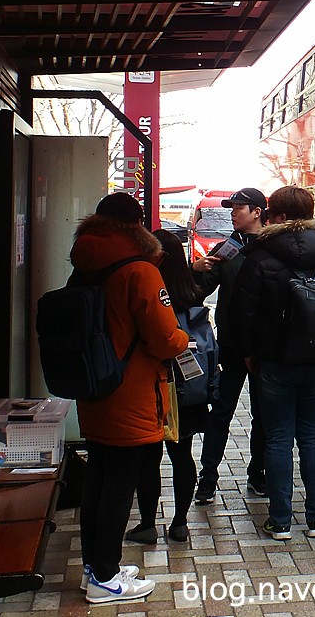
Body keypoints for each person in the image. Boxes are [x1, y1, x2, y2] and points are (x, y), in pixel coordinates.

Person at [72, 192, 188, 604]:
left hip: (95, 389)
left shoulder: (84, 264)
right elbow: (164, 338)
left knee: (98, 480)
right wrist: (184, 338)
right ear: (137, 225)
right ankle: (106, 579)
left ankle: (94, 567)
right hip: (133, 392)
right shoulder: (140, 270)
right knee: (120, 486)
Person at [230, 185, 315, 540]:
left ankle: (280, 520)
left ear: (277, 216)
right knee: (313, 439)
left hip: (273, 361)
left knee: (278, 439)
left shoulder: (260, 256)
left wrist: (247, 351)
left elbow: (243, 311)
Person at [128, 227, 218, 545]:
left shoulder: (148, 290)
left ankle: (148, 524)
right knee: (182, 456)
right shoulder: (191, 293)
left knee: (149, 458)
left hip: (152, 387)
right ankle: (180, 523)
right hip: (190, 391)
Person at [190, 187, 268, 504]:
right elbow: (199, 290)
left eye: (238, 208)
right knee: (221, 412)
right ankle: (207, 479)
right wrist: (192, 270)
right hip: (233, 346)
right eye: (232, 208)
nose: (233, 213)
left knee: (263, 416)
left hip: (264, 350)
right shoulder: (228, 248)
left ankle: (258, 474)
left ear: (257, 212)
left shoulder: (273, 247)